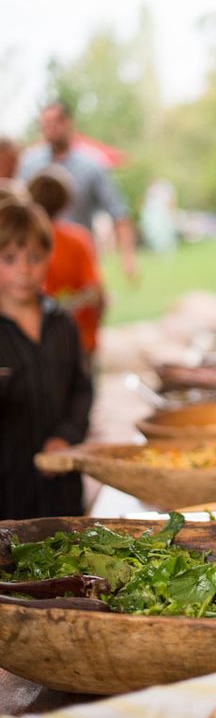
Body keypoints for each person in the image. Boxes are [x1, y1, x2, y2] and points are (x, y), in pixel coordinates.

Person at [0, 199, 92, 519]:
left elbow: (82, 388)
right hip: (9, 486)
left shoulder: (63, 322)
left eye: (34, 258)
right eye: (9, 259)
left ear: (48, 258)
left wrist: (67, 435)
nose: (24, 270)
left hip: (62, 482)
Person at [17, 101, 138, 280]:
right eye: (45, 124)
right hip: (37, 260)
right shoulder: (29, 163)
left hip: (79, 256)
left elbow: (118, 212)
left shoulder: (92, 164)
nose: (50, 129)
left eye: (55, 122)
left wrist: (128, 258)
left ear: (68, 122)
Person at [27, 168, 105, 365]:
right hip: (79, 338)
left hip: (37, 339)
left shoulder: (22, 242)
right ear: (66, 201)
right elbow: (95, 293)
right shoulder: (77, 239)